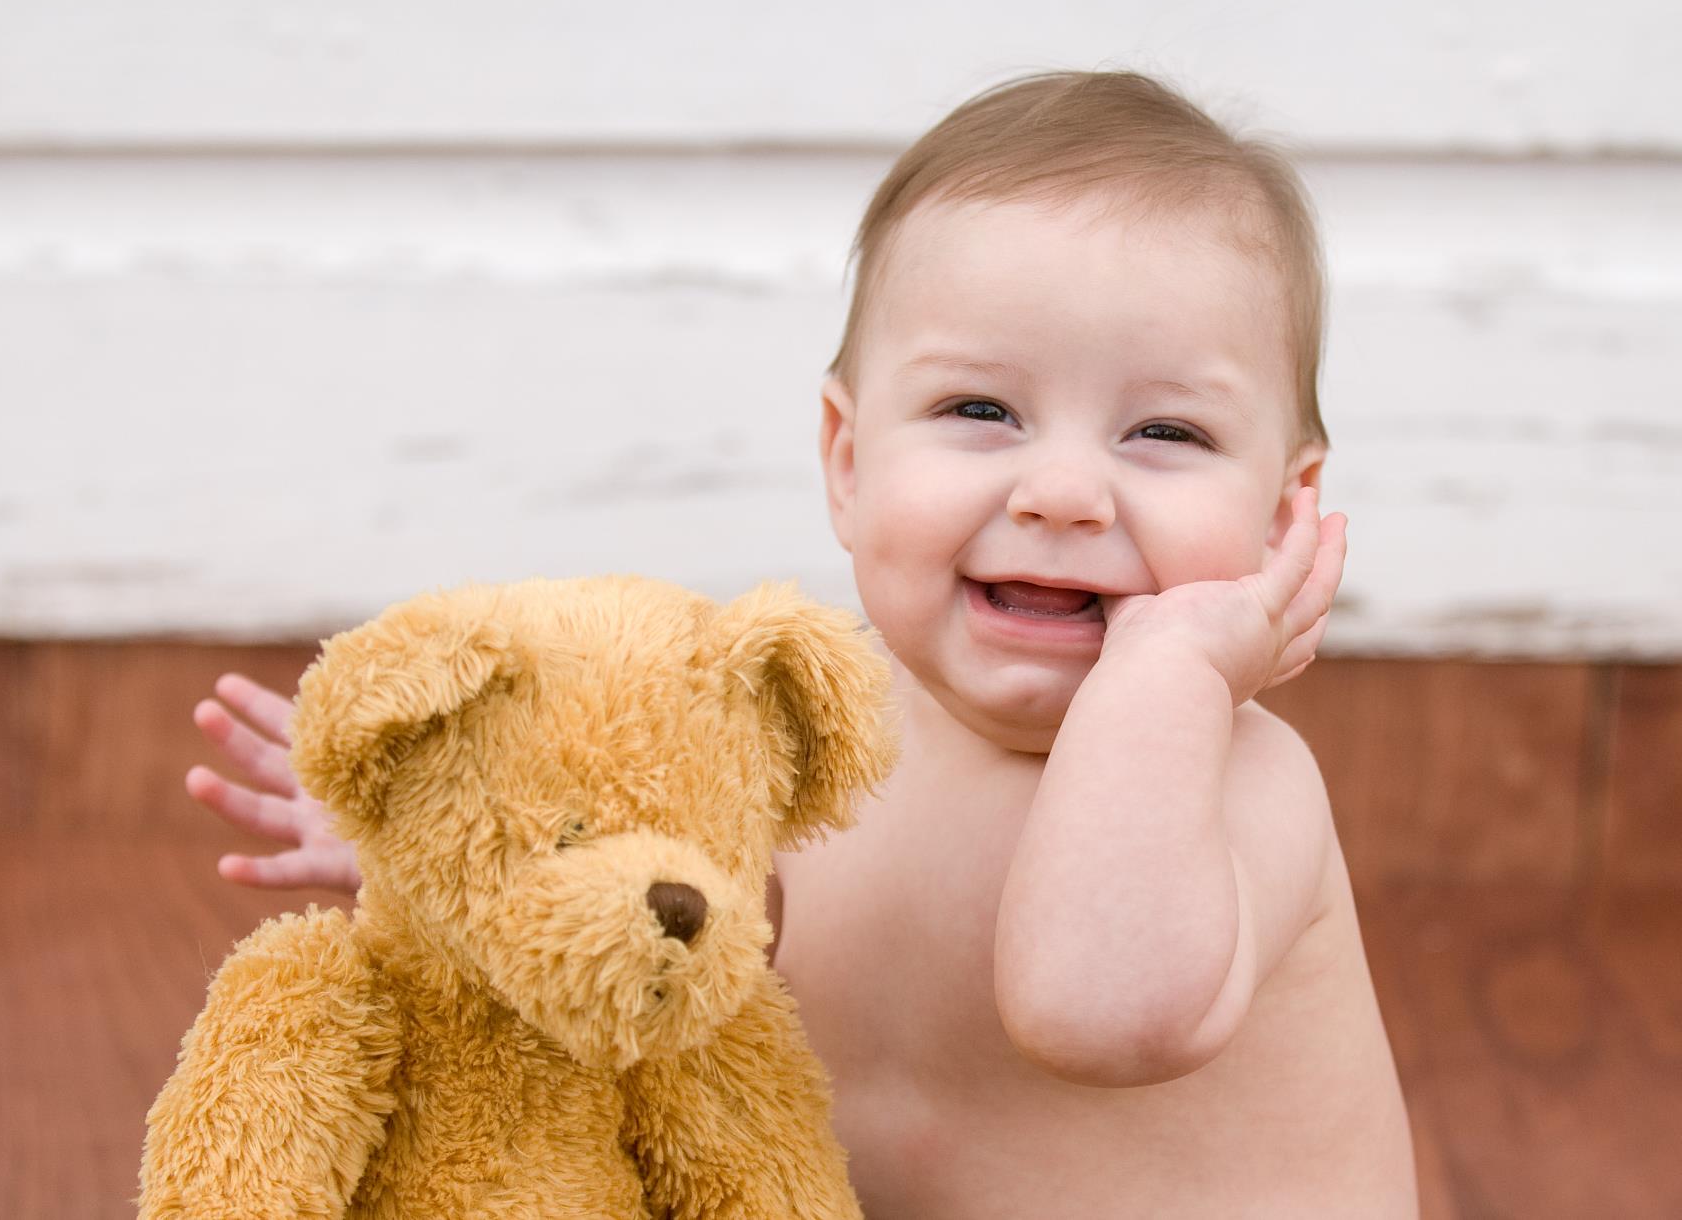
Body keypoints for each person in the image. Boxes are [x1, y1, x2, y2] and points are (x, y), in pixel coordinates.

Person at [187, 69, 1418, 1218]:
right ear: (846, 458)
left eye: (1162, 432)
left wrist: (1172, 670)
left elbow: (1091, 1010)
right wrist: (465, 854)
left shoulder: (1239, 784)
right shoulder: (829, 720)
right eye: (979, 410)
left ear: (1279, 514)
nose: (1062, 492)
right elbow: (681, 897)